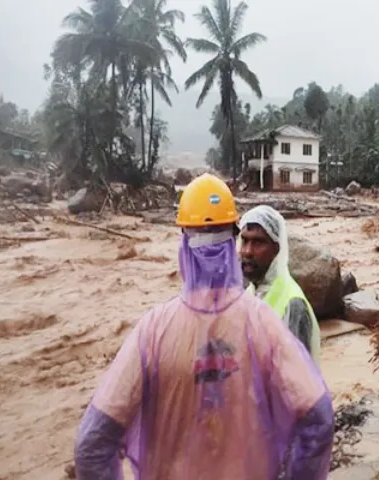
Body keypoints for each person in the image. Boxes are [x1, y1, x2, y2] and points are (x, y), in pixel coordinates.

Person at [74, 174, 333, 480]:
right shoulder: (263, 322)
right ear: (232, 240)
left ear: (184, 244)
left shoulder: (153, 331)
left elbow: (92, 443)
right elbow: (318, 420)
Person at [239, 205, 321, 365]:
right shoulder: (250, 293)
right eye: (245, 240)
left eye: (258, 242)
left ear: (276, 249)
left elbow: (298, 380)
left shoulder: (293, 304)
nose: (247, 251)